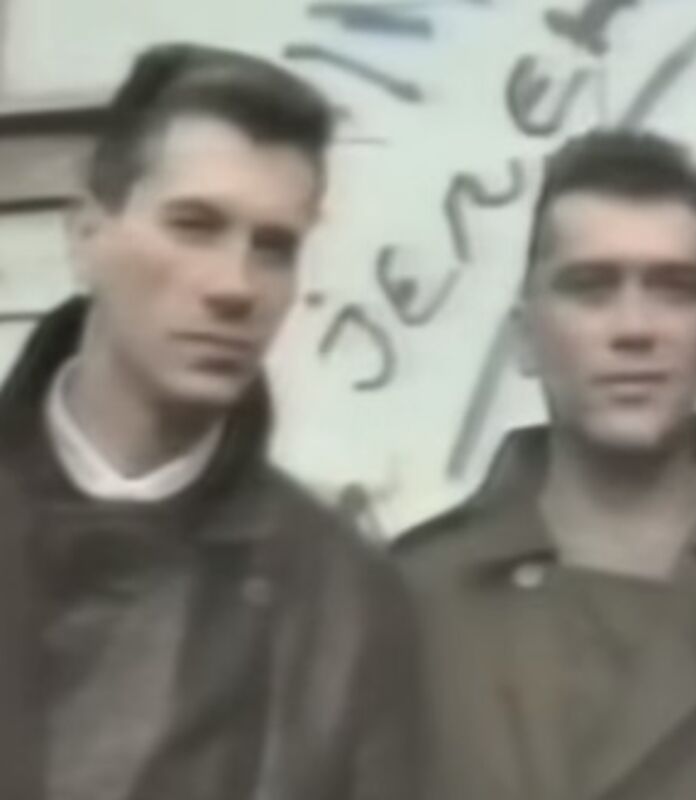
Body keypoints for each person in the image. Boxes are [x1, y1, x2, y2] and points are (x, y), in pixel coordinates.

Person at [392, 130, 696, 800]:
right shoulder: (406, 605)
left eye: (674, 289)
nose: (634, 328)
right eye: (591, 288)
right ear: (526, 337)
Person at [0, 43, 417, 800]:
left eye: (274, 248)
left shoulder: (341, 601)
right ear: (87, 236)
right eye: (194, 226)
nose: (235, 286)